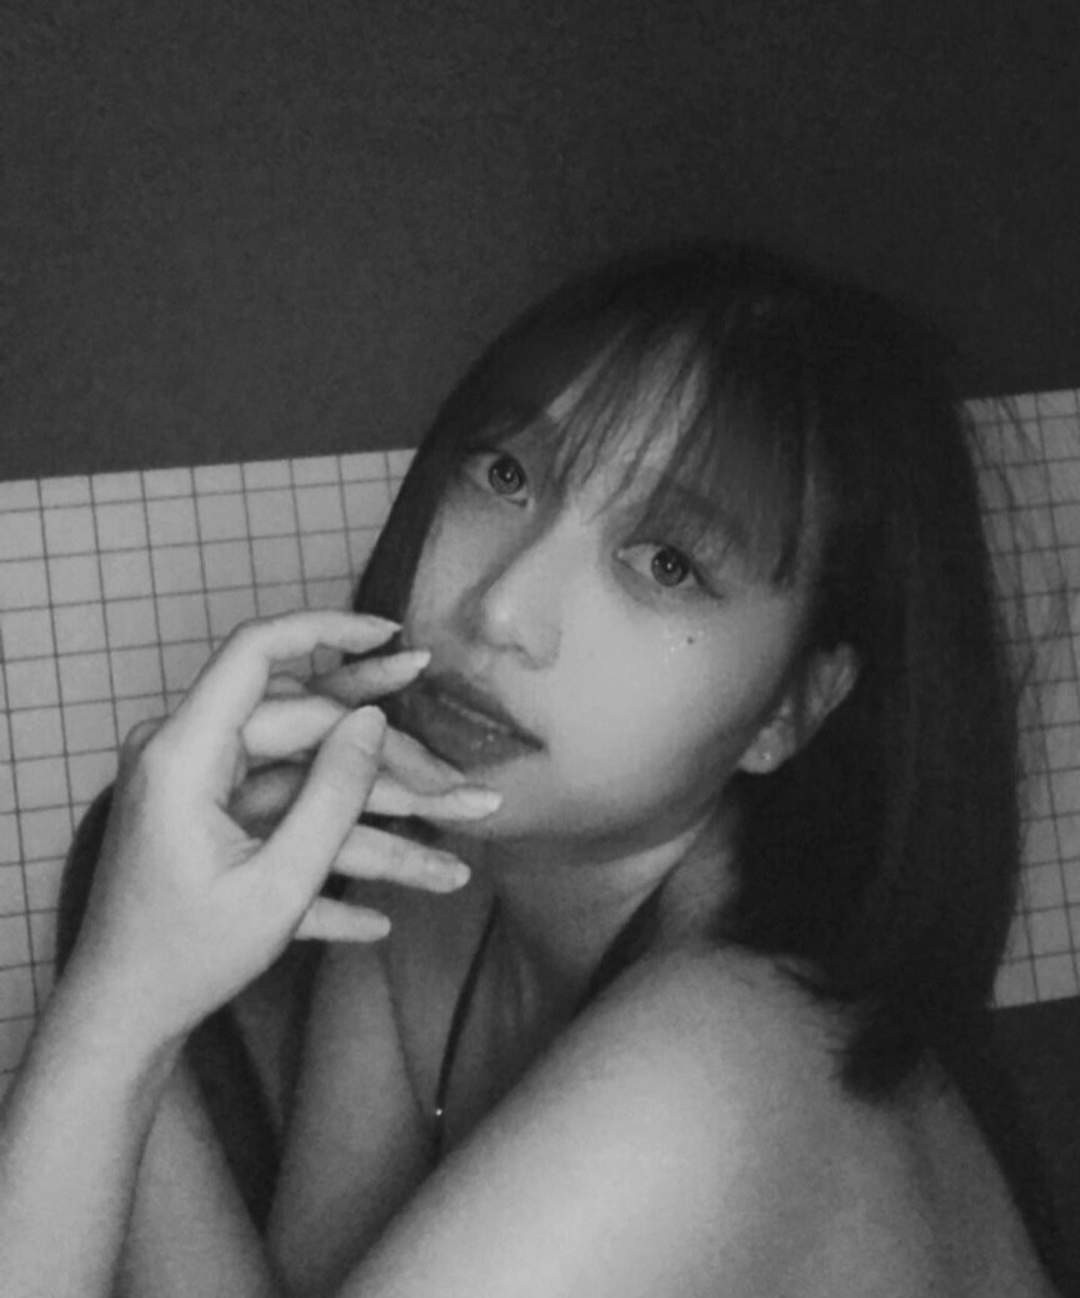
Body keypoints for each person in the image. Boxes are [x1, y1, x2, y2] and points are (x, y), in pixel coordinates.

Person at [0, 242, 1067, 1297]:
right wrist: (130, 979)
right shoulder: (435, 872)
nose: (501, 609)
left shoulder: (727, 1066)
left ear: (791, 708)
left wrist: (115, 1017)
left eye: (669, 563)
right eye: (507, 474)